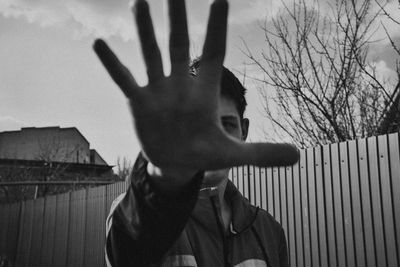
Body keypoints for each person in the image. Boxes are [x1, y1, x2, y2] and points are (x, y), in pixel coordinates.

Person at [94, 0, 299, 266]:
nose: (207, 143)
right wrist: (163, 184)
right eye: (196, 128)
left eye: (225, 125)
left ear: (244, 131)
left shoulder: (268, 230)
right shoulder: (144, 217)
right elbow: (130, 249)